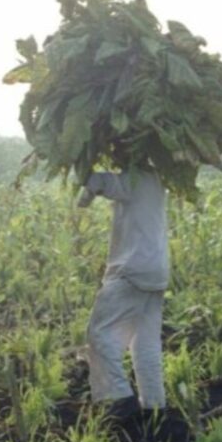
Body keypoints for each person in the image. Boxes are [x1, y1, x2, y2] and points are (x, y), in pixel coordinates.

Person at [78, 167, 169, 420]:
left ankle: (119, 401)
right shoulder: (156, 178)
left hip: (131, 270)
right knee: (145, 342)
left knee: (99, 334)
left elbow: (97, 181)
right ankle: (155, 408)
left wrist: (83, 188)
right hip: (156, 271)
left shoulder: (132, 178)